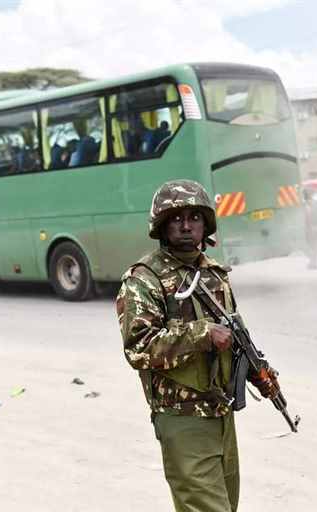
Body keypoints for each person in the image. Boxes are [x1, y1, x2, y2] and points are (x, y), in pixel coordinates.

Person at [116, 179, 280, 512]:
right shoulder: (144, 279)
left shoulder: (214, 274)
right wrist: (200, 334)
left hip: (221, 413)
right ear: (162, 225)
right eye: (177, 218)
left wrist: (258, 371)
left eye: (194, 217)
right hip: (183, 419)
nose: (187, 225)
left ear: (206, 224)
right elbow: (138, 347)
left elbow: (234, 333)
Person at [304, 188, 317, 269]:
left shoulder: (309, 205)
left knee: (312, 245)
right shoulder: (314, 204)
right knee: (313, 246)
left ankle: (313, 263)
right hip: (314, 228)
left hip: (312, 228)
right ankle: (313, 263)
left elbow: (313, 217)